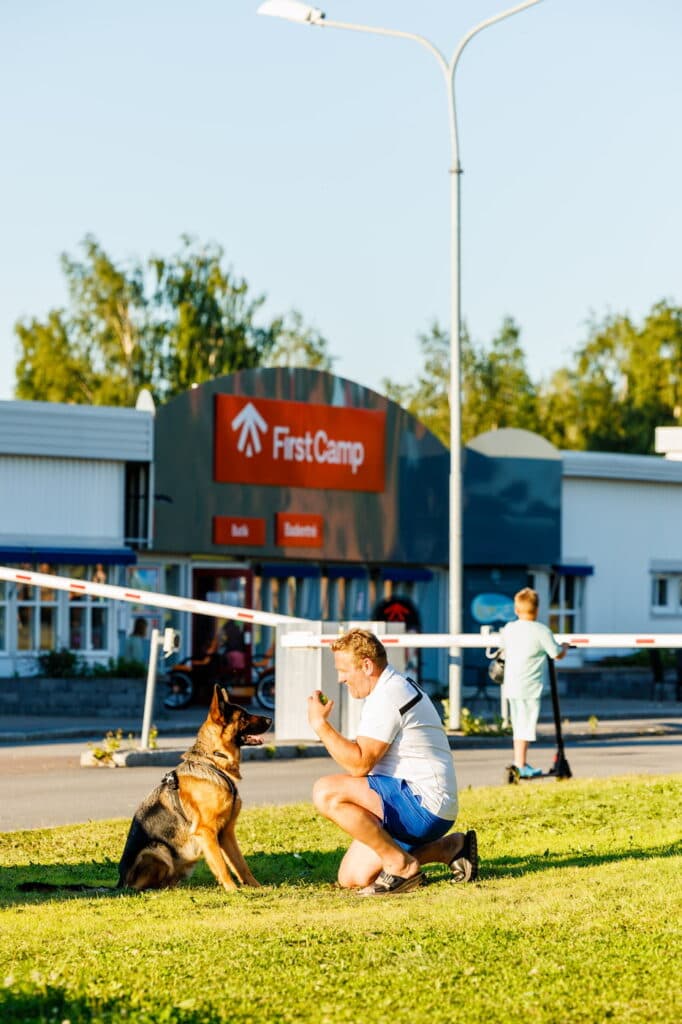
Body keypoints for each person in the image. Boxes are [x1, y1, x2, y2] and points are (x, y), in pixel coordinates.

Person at [307, 628, 477, 897]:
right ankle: (450, 848)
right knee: (352, 877)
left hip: (423, 804)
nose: (340, 679)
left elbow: (359, 764)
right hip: (421, 802)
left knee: (325, 791)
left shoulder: (389, 694)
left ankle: (401, 866)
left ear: (366, 666)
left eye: (344, 670)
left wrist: (319, 724)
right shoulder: (389, 688)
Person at [502, 587, 569, 778]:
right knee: (525, 726)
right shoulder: (541, 630)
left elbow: (503, 647)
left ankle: (519, 762)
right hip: (530, 686)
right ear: (537, 609)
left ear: (516, 609)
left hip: (512, 684)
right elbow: (556, 653)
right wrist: (564, 648)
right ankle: (520, 765)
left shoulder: (510, 629)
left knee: (518, 725)